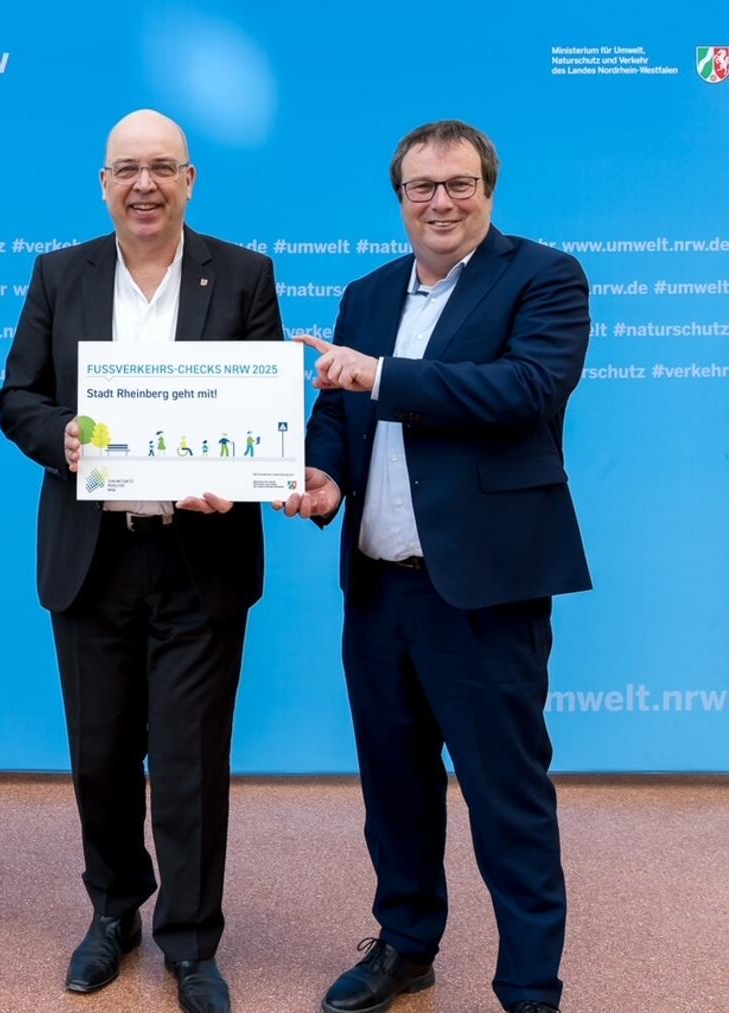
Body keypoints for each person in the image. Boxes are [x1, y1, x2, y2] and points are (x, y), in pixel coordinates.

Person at [278, 120, 591, 1013]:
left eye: (459, 184)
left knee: (509, 800)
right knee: (396, 790)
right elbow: (337, 417)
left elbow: (524, 391)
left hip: (486, 594)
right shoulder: (367, 292)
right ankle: (408, 943)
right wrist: (322, 475)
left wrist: (379, 377)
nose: (441, 202)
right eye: (423, 187)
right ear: (401, 198)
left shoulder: (544, 278)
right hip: (380, 591)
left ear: (489, 190)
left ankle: (530, 984)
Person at [0, 109, 281, 1013]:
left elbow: (265, 409)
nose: (144, 184)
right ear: (104, 181)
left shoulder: (242, 274)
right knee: (102, 753)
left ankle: (191, 941)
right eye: (128, 169)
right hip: (95, 556)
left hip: (201, 556)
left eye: (162, 167)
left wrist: (236, 476)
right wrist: (64, 437)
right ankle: (114, 910)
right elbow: (18, 398)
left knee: (193, 759)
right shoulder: (60, 273)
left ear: (190, 179)